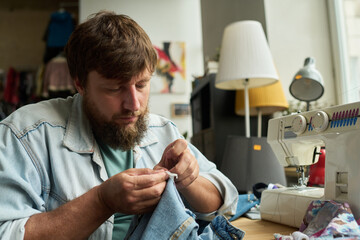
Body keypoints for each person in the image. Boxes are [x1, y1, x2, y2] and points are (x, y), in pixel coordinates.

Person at [0, 11, 238, 240]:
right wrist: (102, 202)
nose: (134, 105)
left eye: (142, 85)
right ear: (80, 84)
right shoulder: (24, 135)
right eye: (115, 88)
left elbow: (225, 202)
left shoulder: (163, 130)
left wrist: (190, 181)